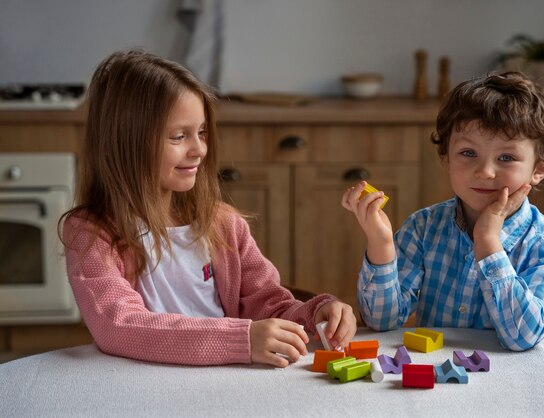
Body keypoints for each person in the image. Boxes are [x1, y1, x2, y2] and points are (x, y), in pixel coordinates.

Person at [60, 50, 356, 367]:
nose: (200, 148)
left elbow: (267, 303)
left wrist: (315, 313)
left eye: (201, 132)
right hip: (142, 390)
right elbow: (118, 326)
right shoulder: (90, 233)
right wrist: (241, 340)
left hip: (222, 384)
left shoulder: (223, 223)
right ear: (125, 142)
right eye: (179, 136)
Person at [341, 71, 544, 351]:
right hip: (431, 380)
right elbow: (382, 321)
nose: (485, 172)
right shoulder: (423, 227)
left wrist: (488, 242)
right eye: (468, 153)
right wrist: (380, 242)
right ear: (446, 155)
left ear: (540, 168)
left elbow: (522, 337)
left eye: (507, 158)